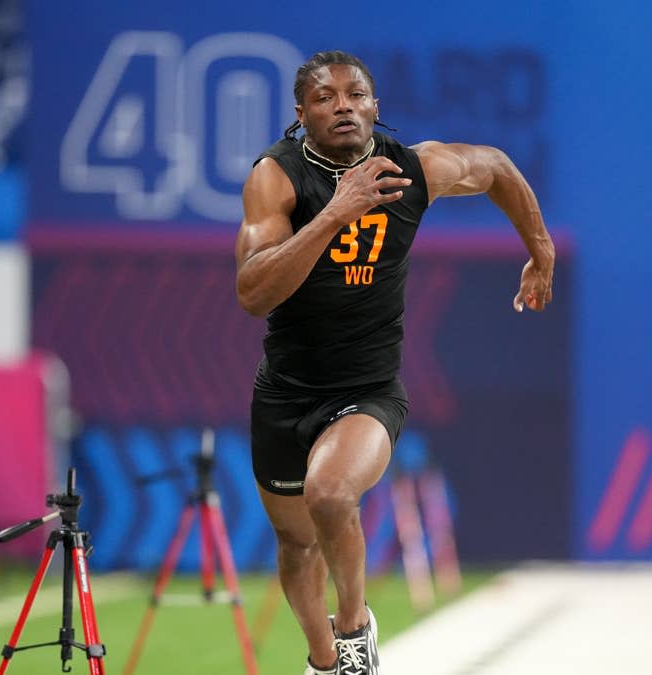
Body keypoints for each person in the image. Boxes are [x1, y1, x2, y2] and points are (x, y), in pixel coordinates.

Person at [235, 50, 554, 675]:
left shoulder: (413, 167)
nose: (344, 105)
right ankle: (324, 661)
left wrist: (539, 252)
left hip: (369, 390)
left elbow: (495, 167)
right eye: (325, 98)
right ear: (300, 114)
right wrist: (333, 213)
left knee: (330, 493)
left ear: (376, 106)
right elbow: (253, 293)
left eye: (356, 94)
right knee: (297, 545)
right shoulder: (276, 178)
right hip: (286, 392)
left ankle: (354, 634)